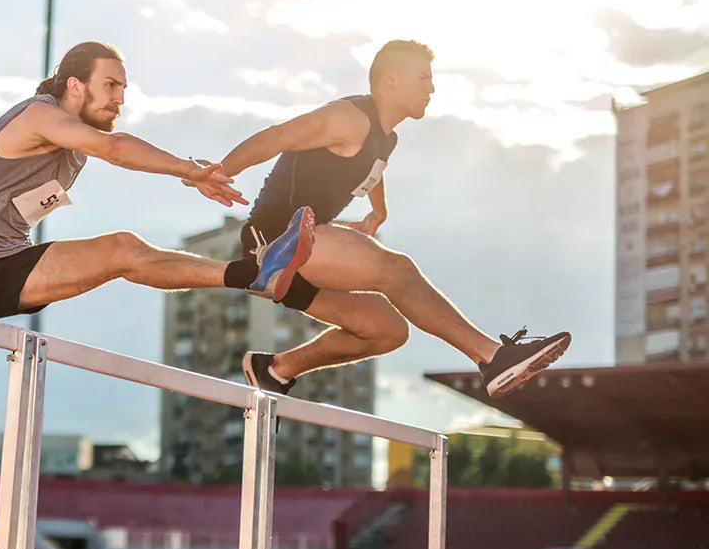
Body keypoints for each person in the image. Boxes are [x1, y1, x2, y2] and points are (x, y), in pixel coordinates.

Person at [0, 41, 315, 518]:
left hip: (8, 263)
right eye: (111, 85)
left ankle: (251, 275)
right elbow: (114, 148)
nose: (120, 98)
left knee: (121, 249)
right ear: (75, 84)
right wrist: (190, 170)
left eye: (124, 90)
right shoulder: (37, 115)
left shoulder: (73, 143)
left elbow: (110, 144)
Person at [210, 39, 569, 399]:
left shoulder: (385, 137)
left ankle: (275, 369)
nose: (432, 88)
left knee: (387, 331)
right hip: (274, 243)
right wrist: (218, 173)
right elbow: (277, 136)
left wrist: (378, 211)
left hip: (307, 249)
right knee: (396, 270)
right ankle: (492, 356)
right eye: (424, 78)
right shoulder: (347, 118)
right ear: (392, 78)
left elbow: (373, 167)